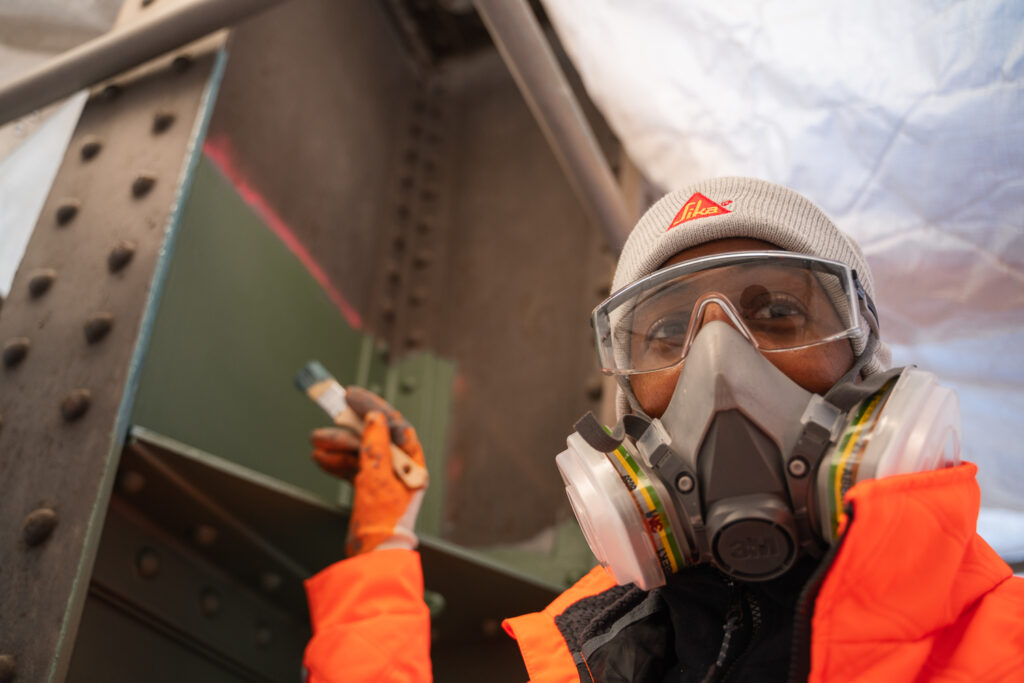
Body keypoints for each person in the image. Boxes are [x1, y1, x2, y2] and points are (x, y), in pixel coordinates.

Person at [302, 177, 1024, 682]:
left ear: (865, 363)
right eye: (669, 329)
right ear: (629, 400)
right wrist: (384, 541)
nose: (719, 364)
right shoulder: (597, 649)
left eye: (774, 312)